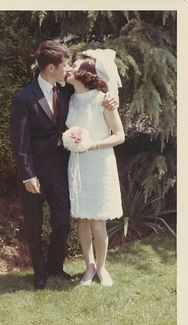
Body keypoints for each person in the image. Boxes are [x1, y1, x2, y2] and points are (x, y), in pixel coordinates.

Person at [11, 40, 118, 290]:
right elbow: (20, 142)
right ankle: (39, 274)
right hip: (34, 174)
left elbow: (94, 91)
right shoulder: (24, 97)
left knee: (61, 222)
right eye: (64, 65)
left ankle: (55, 267)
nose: (68, 69)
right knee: (35, 225)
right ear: (50, 68)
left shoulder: (67, 92)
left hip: (61, 170)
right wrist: (28, 175)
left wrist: (111, 96)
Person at [65, 49, 125, 286]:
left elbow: (120, 135)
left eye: (75, 66)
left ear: (86, 74)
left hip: (99, 162)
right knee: (82, 219)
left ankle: (101, 268)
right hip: (77, 164)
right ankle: (88, 266)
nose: (69, 68)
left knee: (98, 221)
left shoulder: (103, 100)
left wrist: (92, 145)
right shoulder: (69, 98)